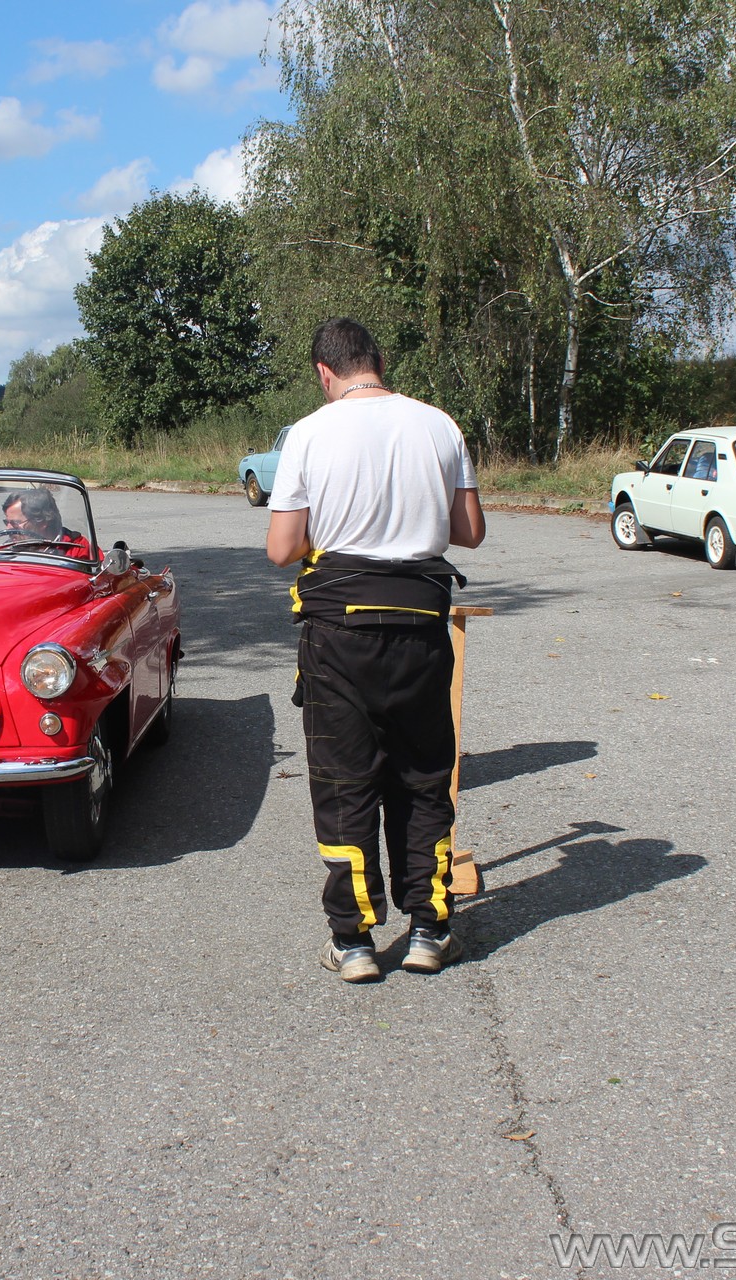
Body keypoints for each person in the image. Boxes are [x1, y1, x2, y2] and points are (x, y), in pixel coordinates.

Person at [265, 317, 486, 983]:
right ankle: (429, 930)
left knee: (345, 783)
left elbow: (282, 549)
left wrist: (340, 523)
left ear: (324, 371)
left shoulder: (309, 433)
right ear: (377, 362)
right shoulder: (439, 425)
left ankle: (354, 941)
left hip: (339, 636)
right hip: (420, 628)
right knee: (422, 778)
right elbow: (469, 531)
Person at [0, 490, 92, 558]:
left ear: (42, 522)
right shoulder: (4, 551)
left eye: (15, 523)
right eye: (7, 522)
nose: (8, 528)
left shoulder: (78, 549)